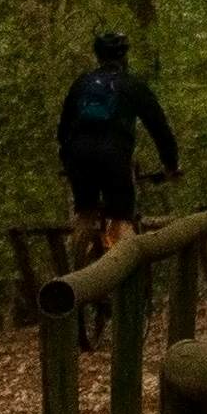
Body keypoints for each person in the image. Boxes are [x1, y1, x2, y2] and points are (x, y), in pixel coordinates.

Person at [56, 31, 179, 265]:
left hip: (78, 156)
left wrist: (68, 161)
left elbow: (63, 128)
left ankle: (76, 274)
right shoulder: (132, 85)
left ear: (98, 56)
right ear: (124, 56)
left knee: (84, 213)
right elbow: (159, 126)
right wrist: (170, 164)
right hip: (113, 156)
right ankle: (129, 283)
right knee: (121, 218)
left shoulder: (82, 83)